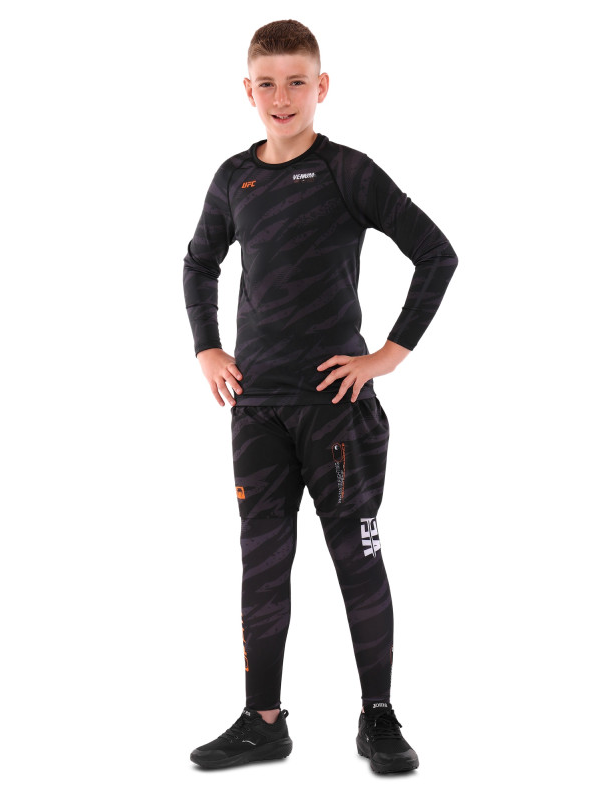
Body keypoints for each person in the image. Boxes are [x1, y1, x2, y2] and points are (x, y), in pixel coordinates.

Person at [183, 19, 458, 774]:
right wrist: (207, 346)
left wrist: (387, 356)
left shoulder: (346, 170)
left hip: (336, 408)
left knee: (356, 559)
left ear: (321, 87)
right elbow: (199, 262)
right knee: (262, 563)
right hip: (257, 409)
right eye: (267, 84)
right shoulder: (233, 178)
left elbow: (436, 253)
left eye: (297, 82)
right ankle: (262, 720)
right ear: (248, 90)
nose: (282, 97)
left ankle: (379, 715)